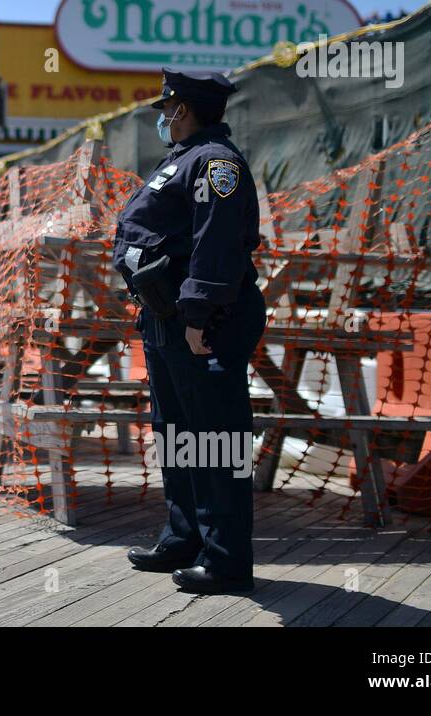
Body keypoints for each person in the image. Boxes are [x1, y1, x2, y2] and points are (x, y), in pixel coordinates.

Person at [113, 67, 266, 595]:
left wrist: (198, 316)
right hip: (165, 315)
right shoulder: (183, 159)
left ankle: (226, 561)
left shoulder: (216, 164)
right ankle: (185, 538)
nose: (163, 116)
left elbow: (217, 243)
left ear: (183, 108)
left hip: (203, 321)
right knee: (177, 435)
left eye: (166, 108)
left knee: (215, 440)